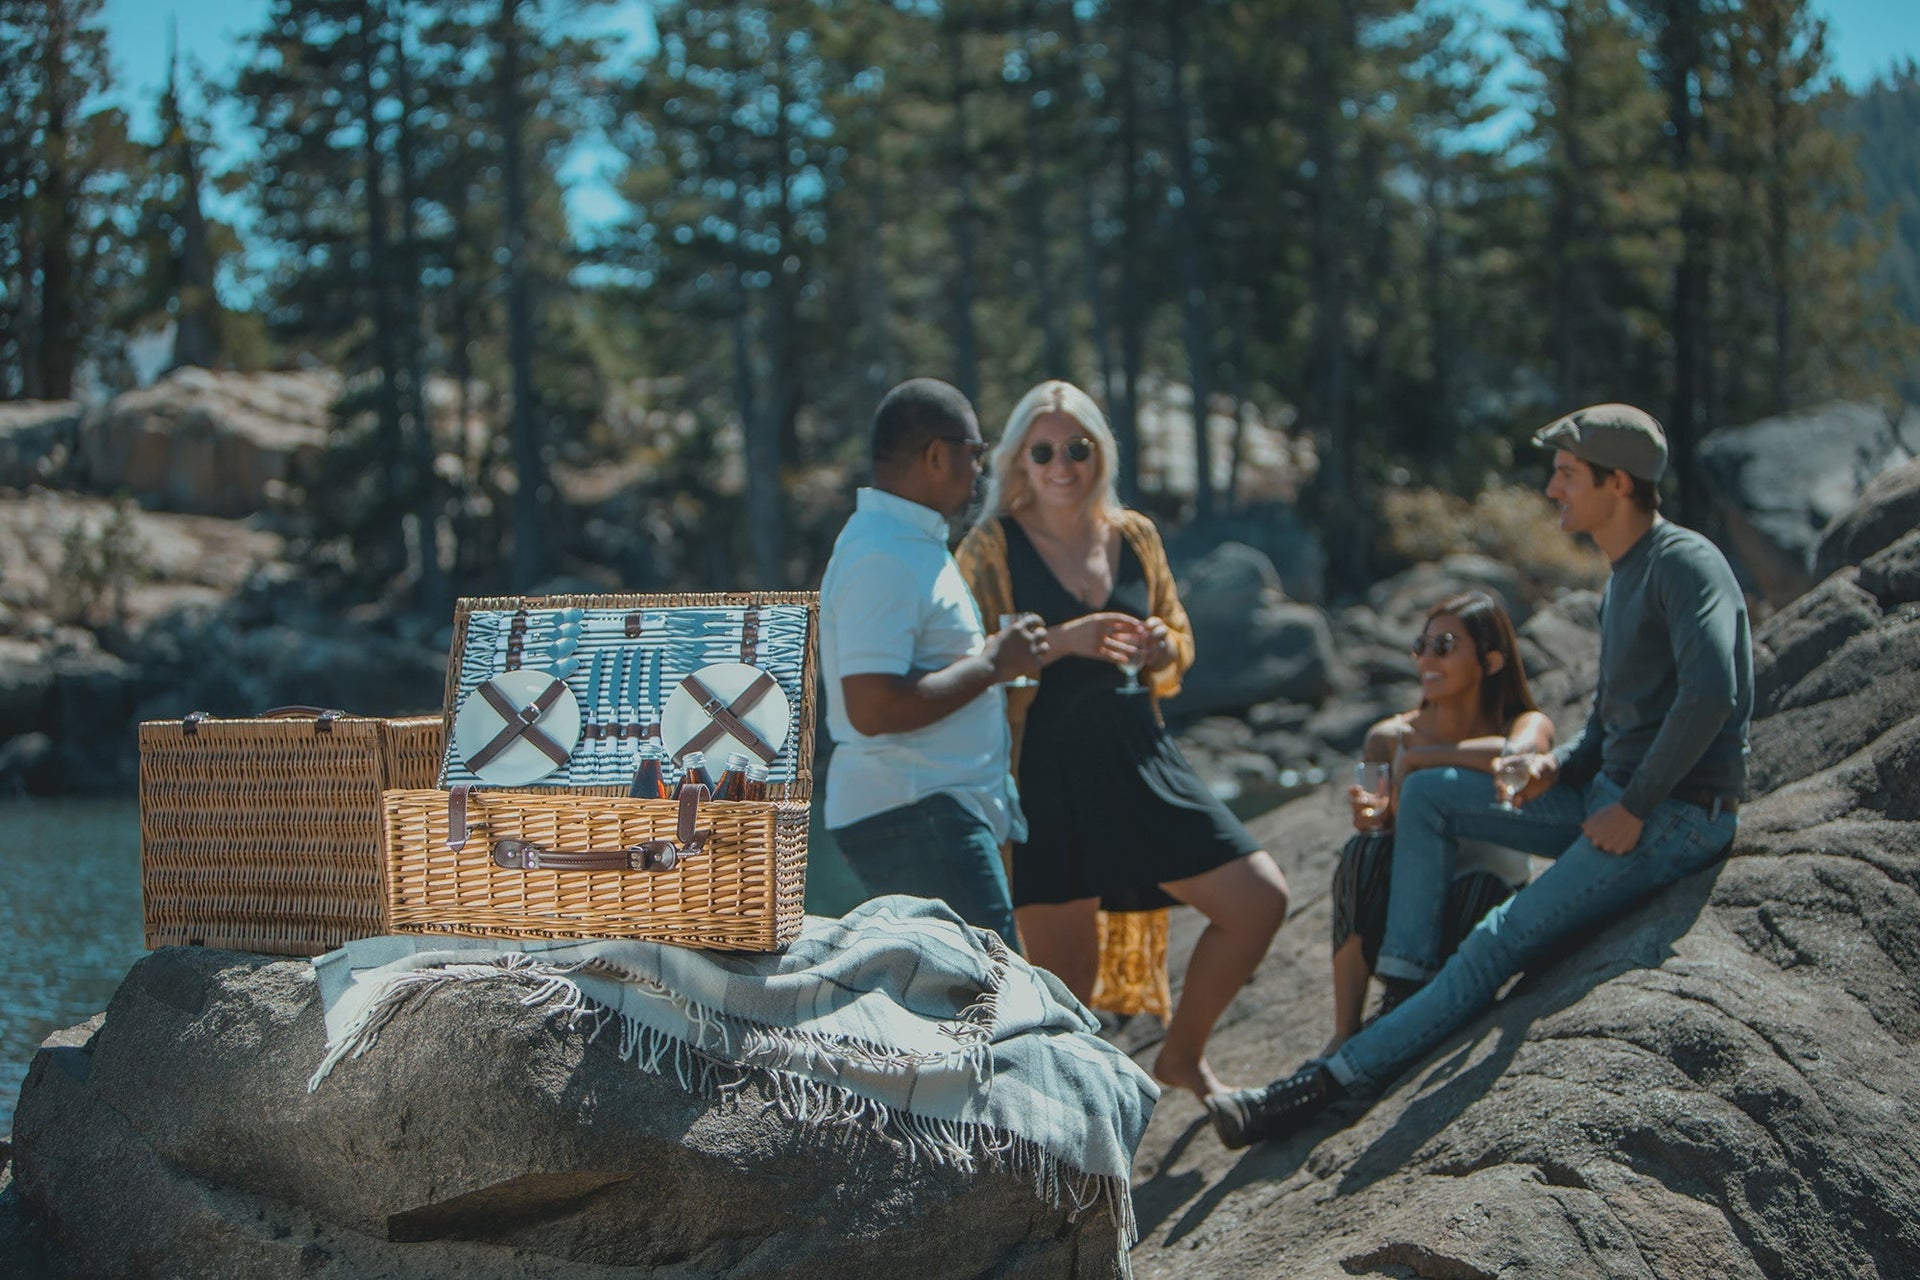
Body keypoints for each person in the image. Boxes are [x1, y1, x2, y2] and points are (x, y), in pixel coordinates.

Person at [1211, 402, 1753, 1148]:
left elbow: (1712, 693)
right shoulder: (1625, 577)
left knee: (1495, 943)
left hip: (1675, 817)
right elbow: (1609, 725)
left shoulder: (1683, 562)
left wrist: (1636, 801)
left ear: (1618, 484)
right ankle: (1406, 990)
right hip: (1609, 798)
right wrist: (1550, 769)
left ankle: (1331, 1084)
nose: (1552, 490)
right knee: (1429, 794)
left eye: (1566, 475)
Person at [955, 379, 1290, 1101]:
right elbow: (963, 660)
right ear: (1018, 461)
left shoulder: (1134, 533)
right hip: (1045, 777)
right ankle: (1077, 1159)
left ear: (1098, 452)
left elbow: (1178, 633)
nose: (1061, 465)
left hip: (1143, 759)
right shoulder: (992, 546)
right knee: (1068, 996)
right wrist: (1061, 641)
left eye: (1077, 447)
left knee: (1259, 898)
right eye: (1042, 451)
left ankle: (1183, 1055)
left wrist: (1165, 648)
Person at [819, 377, 1047, 948]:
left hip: (926, 810)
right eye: (975, 454)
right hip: (916, 811)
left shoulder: (905, 542)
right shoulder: (884, 555)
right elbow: (871, 708)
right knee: (995, 1004)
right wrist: (994, 662)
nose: (980, 471)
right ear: (936, 455)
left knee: (967, 1009)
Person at [1322, 592, 1553, 1057]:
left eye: (1444, 645)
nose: (1426, 658)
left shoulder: (1524, 723)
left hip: (1482, 903)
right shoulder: (1387, 738)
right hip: (1408, 915)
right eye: (1420, 645)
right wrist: (1374, 816)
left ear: (1490, 661)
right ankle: (1346, 1033)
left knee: (1482, 886)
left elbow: (1521, 756)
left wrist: (1425, 759)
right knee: (1361, 854)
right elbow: (1380, 828)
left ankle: (1410, 1010)